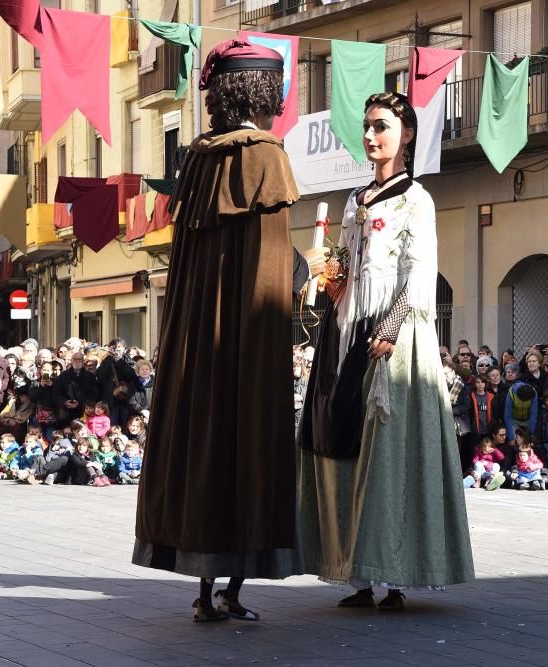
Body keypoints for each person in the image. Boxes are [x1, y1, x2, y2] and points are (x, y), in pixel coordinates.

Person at [135, 40, 323, 623]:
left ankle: (202, 587)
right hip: (248, 340)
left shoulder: (198, 158)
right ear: (267, 92)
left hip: (197, 339)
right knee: (247, 444)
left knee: (203, 441)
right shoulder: (267, 155)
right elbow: (270, 268)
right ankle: (234, 591)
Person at [298, 91, 474, 611]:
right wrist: (331, 279)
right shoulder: (356, 200)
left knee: (390, 454)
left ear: (408, 134)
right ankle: (354, 571)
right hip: (346, 329)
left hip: (393, 334)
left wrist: (393, 327)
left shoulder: (415, 199)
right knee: (337, 440)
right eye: (367, 127)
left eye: (382, 126)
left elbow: (419, 273)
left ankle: (395, 572)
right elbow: (353, 271)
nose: (371, 136)